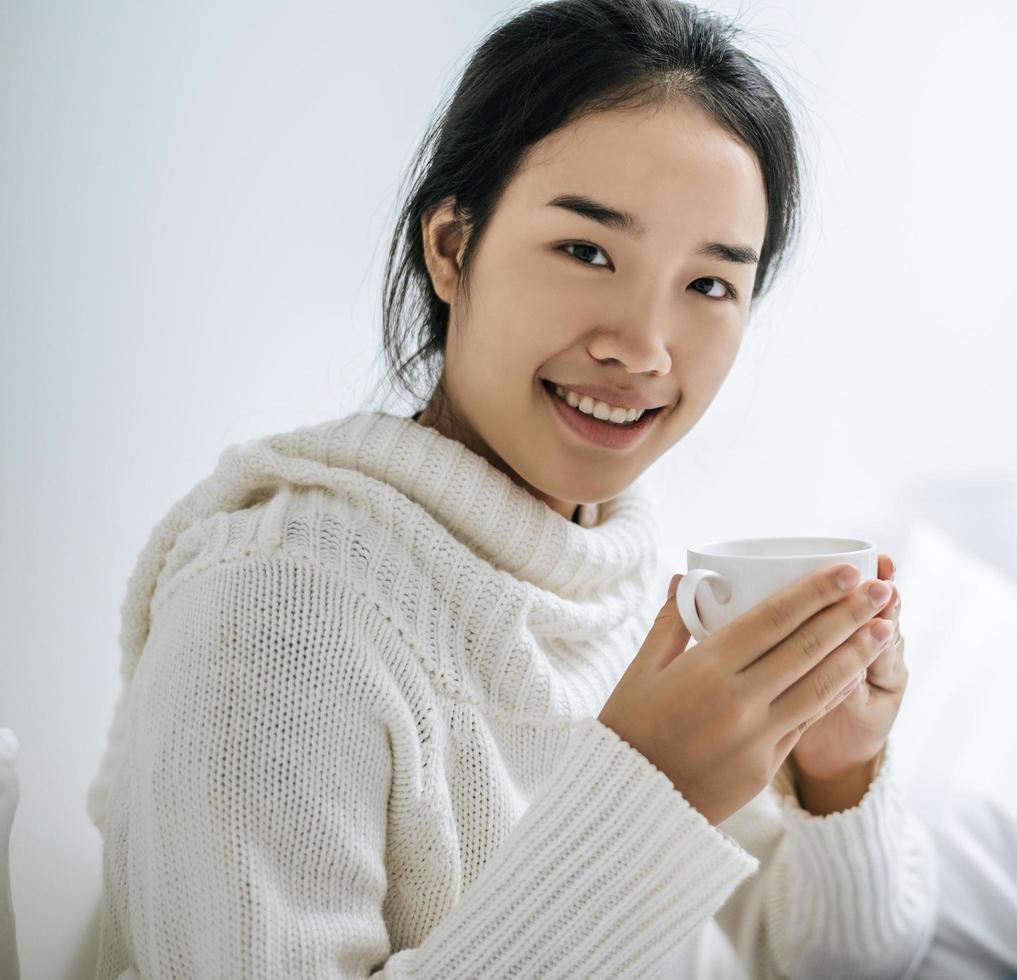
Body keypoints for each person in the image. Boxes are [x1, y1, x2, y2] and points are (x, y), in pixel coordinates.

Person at [86, 1, 940, 977]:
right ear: (452, 249)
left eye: (709, 284)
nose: (643, 348)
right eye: (587, 250)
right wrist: (645, 797)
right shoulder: (277, 604)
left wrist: (836, 774)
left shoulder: (627, 593)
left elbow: (841, 962)